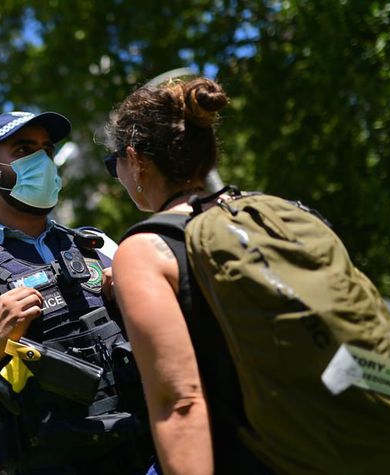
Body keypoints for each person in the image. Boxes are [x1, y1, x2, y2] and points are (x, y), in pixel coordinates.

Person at [0, 111, 154, 474]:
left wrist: (133, 295)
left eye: (47, 150)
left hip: (144, 458)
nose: (42, 160)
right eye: (24, 149)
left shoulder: (98, 246)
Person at [104, 77, 271, 474]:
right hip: (325, 437)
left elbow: (180, 403)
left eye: (115, 166)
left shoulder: (145, 249)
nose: (119, 177)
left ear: (137, 161)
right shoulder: (269, 213)